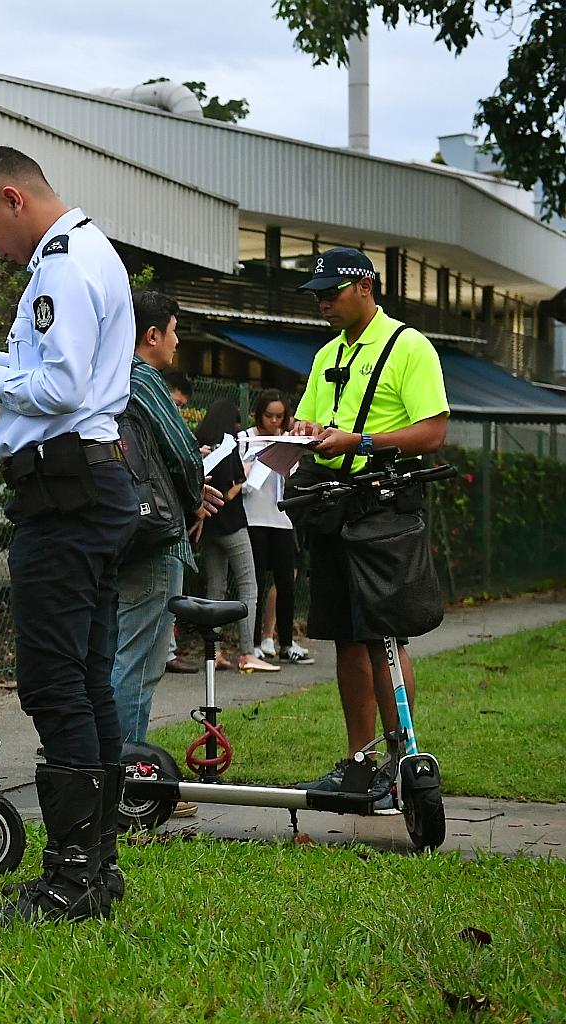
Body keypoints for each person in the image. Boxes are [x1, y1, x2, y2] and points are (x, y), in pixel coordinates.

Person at [0, 146, 136, 925]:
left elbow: (60, 387)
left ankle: (71, 878)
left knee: (57, 684)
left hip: (67, 495)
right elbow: (53, 370)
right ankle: (98, 867)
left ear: (13, 198)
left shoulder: (60, 266)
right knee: (87, 679)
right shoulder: (86, 254)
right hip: (85, 487)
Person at [289, 247, 448, 808]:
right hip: (332, 508)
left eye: (331, 291)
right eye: (318, 294)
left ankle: (404, 760)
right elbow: (310, 425)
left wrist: (360, 442)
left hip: (383, 510)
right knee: (345, 638)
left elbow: (432, 432)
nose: (324, 302)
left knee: (385, 634)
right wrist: (304, 433)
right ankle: (362, 761)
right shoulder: (327, 355)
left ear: (366, 286)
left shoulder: (409, 347)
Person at [110, 291, 221, 745]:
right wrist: (194, 495)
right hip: (157, 540)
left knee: (117, 654)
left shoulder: (105, 376)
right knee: (140, 663)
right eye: (174, 332)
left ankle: (103, 769)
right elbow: (181, 450)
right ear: (152, 334)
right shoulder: (144, 379)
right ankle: (129, 775)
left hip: (119, 531)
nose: (176, 343)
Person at [194, 400, 279, 673]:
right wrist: (247, 477)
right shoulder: (228, 445)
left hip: (208, 525)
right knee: (248, 586)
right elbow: (230, 490)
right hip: (232, 523)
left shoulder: (201, 444)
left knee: (215, 590)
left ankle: (213, 652)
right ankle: (246, 651)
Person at [240, 389, 314, 665]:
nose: (273, 421)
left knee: (286, 583)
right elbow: (239, 475)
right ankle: (255, 643)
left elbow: (291, 475)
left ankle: (286, 642)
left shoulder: (285, 439)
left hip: (281, 518)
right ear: (258, 414)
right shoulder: (246, 438)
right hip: (253, 518)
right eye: (268, 415)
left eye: (279, 417)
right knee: (256, 583)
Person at [161, 371, 200, 675]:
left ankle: (166, 650)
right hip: (160, 523)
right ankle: (164, 652)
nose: (179, 411)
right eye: (175, 403)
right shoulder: (153, 410)